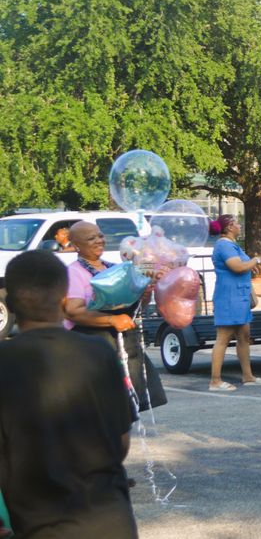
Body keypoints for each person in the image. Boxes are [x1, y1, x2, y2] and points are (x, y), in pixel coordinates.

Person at [0, 251, 137, 538]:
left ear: (10, 303)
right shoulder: (99, 352)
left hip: (38, 524)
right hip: (111, 520)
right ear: (65, 300)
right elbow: (121, 442)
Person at [64, 221, 166, 412]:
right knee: (104, 407)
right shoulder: (73, 273)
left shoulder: (116, 268)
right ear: (76, 245)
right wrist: (111, 320)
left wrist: (144, 295)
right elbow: (73, 311)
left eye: (100, 235)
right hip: (95, 348)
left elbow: (137, 308)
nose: (99, 240)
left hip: (125, 344)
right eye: (91, 238)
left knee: (128, 408)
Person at [208, 214, 261, 391]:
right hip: (229, 299)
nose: (240, 226)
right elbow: (238, 267)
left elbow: (243, 266)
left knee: (244, 337)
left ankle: (248, 376)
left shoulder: (231, 245)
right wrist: (255, 260)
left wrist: (251, 264)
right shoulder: (224, 245)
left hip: (239, 298)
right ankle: (215, 381)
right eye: (236, 223)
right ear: (228, 228)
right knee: (223, 338)